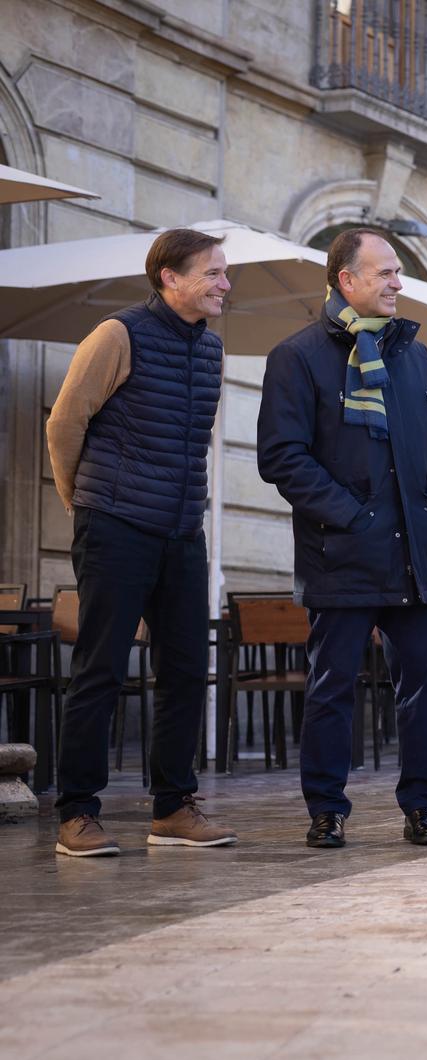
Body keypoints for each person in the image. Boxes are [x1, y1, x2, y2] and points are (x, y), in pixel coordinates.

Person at [257, 227, 427, 849]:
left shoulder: (415, 355)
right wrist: (352, 515)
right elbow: (282, 457)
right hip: (340, 551)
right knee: (331, 687)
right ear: (347, 280)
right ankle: (326, 808)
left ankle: (423, 806)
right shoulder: (296, 357)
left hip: (414, 553)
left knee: (422, 691)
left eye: (398, 273)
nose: (399, 283)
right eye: (386, 273)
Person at [44, 227, 239, 857]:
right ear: (170, 278)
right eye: (212, 273)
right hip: (116, 525)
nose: (224, 285)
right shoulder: (117, 335)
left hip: (181, 531)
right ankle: (77, 814)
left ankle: (173, 808)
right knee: (100, 669)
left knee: (185, 669)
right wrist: (82, 501)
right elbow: (66, 419)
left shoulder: (210, 351)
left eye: (223, 273)